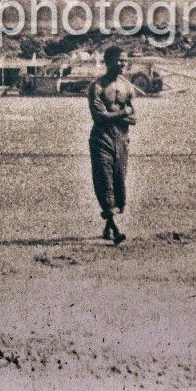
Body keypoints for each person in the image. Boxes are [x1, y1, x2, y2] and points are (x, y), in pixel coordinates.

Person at [88, 45, 136, 245]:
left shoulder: (128, 87)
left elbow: (134, 117)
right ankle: (116, 230)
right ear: (108, 61)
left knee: (118, 184)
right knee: (104, 181)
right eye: (119, 60)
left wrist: (119, 116)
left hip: (122, 141)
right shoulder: (97, 87)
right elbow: (99, 117)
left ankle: (108, 226)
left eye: (125, 60)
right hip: (101, 140)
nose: (123, 64)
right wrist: (123, 114)